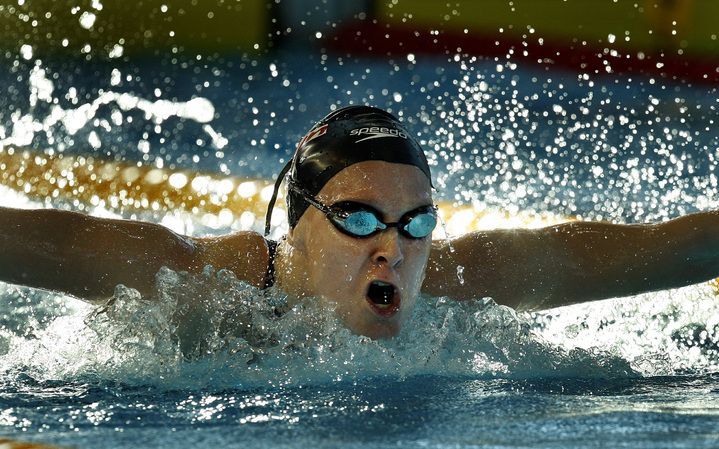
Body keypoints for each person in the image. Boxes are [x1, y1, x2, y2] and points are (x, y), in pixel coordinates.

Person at [0, 105, 717, 339]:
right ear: (297, 224)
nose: (390, 249)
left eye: (414, 222)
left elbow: (654, 252)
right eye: (359, 217)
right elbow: (55, 247)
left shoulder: (456, 283)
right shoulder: (204, 281)